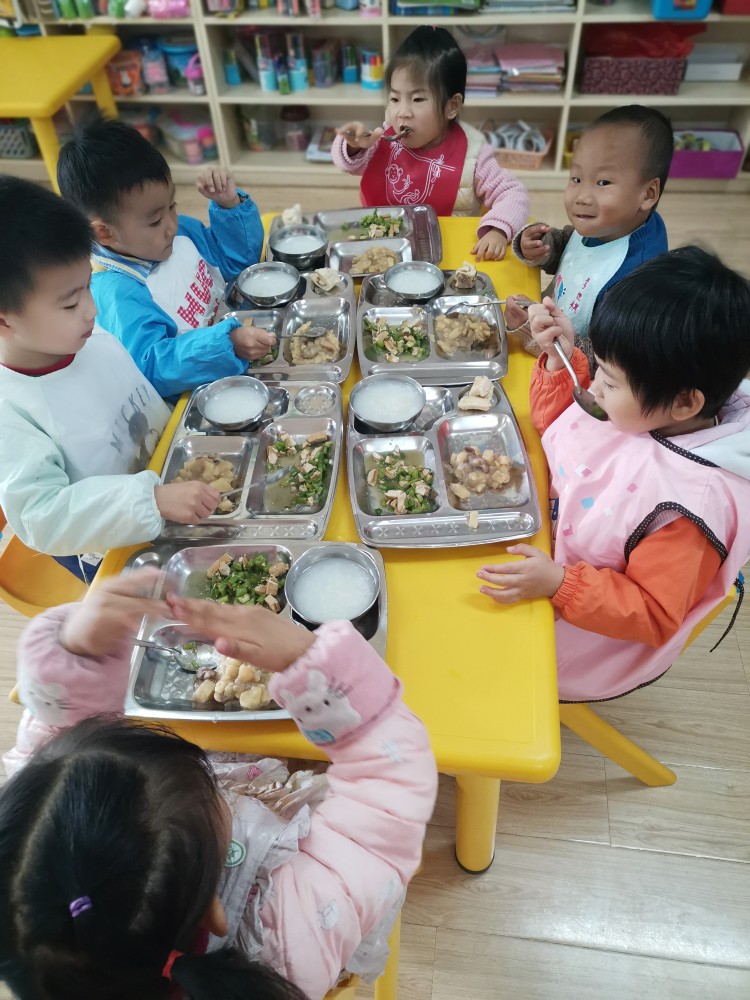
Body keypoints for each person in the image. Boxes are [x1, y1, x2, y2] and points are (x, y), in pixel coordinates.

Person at [0, 571, 437, 1000]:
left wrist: (75, 656)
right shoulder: (290, 923)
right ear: (212, 909)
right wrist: (314, 670)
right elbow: (389, 791)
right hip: (339, 907)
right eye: (206, 783)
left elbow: (38, 751)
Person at [476, 248, 750, 702]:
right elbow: (564, 430)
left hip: (585, 633)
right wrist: (562, 359)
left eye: (609, 378)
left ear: (685, 403)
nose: (596, 386)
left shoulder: (686, 510)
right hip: (542, 546)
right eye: (598, 367)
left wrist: (560, 584)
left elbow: (652, 612)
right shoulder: (647, 407)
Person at [0, 176, 221, 566]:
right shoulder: (11, 410)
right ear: (5, 321)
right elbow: (41, 517)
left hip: (172, 483)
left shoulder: (81, 336)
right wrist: (150, 500)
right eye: (70, 304)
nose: (92, 310)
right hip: (117, 543)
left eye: (88, 286)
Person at [57, 118, 276, 399]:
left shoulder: (179, 233)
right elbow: (153, 367)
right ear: (105, 233)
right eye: (155, 221)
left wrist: (229, 205)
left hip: (235, 344)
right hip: (199, 391)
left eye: (172, 206)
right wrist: (225, 344)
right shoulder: (118, 292)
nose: (171, 224)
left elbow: (238, 266)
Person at [332, 26, 529, 262]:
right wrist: (354, 145)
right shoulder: (384, 138)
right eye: (395, 98)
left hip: (447, 258)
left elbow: (514, 194)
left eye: (417, 99)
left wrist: (497, 230)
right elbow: (350, 164)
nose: (403, 112)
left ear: (451, 106)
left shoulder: (472, 156)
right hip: (381, 253)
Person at [505, 105, 673, 356]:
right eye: (576, 178)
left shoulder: (633, 287)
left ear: (648, 194)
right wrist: (544, 246)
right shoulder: (612, 225)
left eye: (603, 182)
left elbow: (602, 365)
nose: (582, 196)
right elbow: (577, 252)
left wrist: (532, 331)